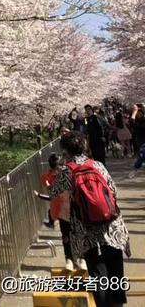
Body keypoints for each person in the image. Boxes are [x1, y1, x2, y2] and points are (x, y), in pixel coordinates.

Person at [48, 131, 130, 307]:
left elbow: (53, 192)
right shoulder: (97, 165)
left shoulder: (66, 172)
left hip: (86, 230)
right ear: (84, 146)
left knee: (98, 272)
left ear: (65, 151)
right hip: (111, 225)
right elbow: (113, 190)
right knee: (115, 270)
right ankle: (117, 303)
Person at [36, 153, 84, 271]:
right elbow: (52, 194)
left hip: (77, 210)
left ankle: (82, 259)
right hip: (63, 211)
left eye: (60, 167)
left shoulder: (74, 174)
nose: (57, 171)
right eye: (55, 168)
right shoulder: (53, 178)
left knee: (80, 235)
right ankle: (69, 260)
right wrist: (47, 189)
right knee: (66, 237)